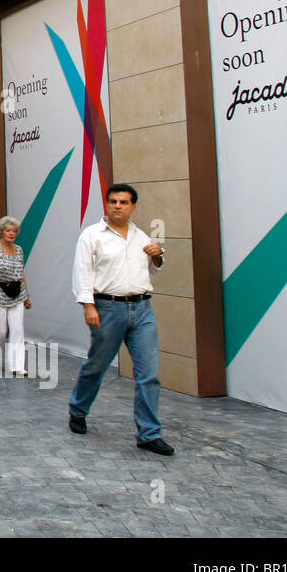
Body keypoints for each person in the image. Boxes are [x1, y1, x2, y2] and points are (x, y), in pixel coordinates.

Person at [68, 183, 173, 456]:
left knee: (148, 374)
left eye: (124, 202)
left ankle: (149, 434)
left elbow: (155, 269)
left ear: (133, 207)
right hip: (107, 308)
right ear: (107, 204)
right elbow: (83, 272)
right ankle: (78, 410)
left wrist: (158, 256)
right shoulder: (92, 235)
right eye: (113, 201)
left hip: (143, 310)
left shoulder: (140, 237)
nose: (117, 206)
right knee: (97, 365)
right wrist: (88, 306)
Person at [0, 216, 33, 376]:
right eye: (8, 230)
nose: (11, 233)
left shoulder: (19, 250)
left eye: (14, 231)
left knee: (17, 330)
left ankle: (17, 366)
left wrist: (27, 296)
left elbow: (21, 274)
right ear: (1, 231)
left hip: (17, 293)